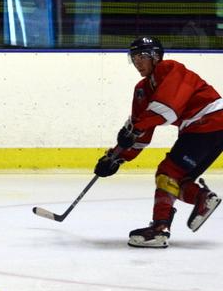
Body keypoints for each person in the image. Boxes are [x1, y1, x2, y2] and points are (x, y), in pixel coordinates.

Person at [93, 36, 223, 248]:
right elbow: (140, 131)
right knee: (176, 179)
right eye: (134, 58)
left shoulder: (170, 69)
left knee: (167, 172)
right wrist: (115, 157)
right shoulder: (142, 89)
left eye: (142, 56)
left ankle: (159, 230)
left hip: (209, 122)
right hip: (207, 128)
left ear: (156, 56)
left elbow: (168, 109)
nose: (138, 62)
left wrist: (135, 129)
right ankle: (202, 198)